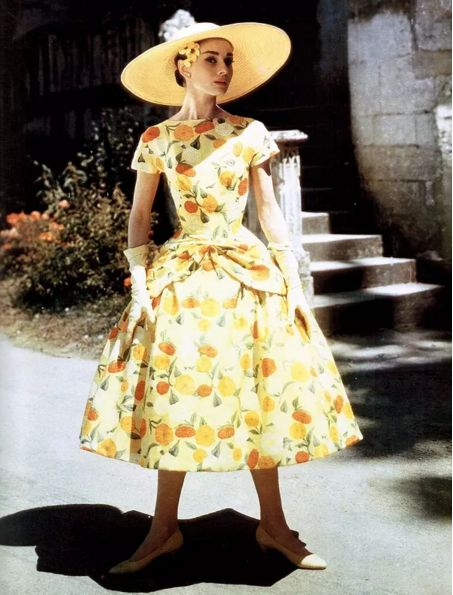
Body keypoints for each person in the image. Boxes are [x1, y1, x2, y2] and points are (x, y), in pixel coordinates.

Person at [78, 21, 364, 575]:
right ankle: (163, 530)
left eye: (228, 60)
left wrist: (291, 277)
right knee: (177, 392)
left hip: (243, 269)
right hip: (182, 274)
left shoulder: (249, 131)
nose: (224, 70)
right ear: (184, 65)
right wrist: (141, 283)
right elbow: (140, 215)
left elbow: (269, 211)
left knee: (259, 389)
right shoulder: (157, 139)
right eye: (212, 59)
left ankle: (274, 526)